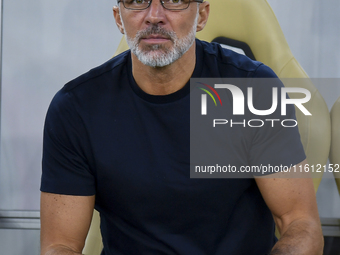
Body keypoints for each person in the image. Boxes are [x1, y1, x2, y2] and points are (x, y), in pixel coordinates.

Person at [40, 0, 324, 254]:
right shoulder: (76, 109)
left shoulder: (251, 90)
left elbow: (300, 224)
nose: (154, 16)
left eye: (174, 1)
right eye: (137, 1)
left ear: (201, 15)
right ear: (118, 18)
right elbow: (60, 245)